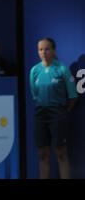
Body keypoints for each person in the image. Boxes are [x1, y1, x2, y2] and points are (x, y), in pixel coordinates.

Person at [30, 37, 78, 179]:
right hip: (41, 114)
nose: (43, 52)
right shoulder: (34, 71)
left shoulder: (62, 69)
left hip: (58, 113)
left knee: (61, 152)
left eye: (47, 49)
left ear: (53, 50)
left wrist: (63, 111)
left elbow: (73, 96)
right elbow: (35, 94)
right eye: (40, 49)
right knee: (43, 154)